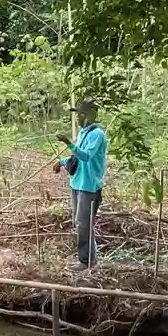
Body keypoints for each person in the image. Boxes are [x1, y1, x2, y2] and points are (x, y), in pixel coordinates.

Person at [54, 100, 107, 269]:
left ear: (90, 115)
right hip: (77, 183)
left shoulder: (97, 134)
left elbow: (86, 156)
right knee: (80, 223)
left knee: (84, 223)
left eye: (81, 114)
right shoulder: (83, 133)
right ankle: (88, 259)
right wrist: (62, 162)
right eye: (77, 114)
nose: (78, 117)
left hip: (89, 186)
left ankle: (86, 261)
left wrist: (68, 143)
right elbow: (76, 157)